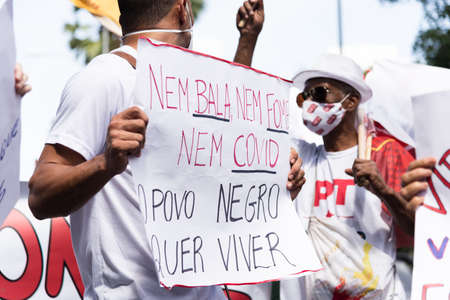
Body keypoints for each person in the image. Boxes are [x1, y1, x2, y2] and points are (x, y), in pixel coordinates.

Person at [28, 0, 303, 299]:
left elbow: (225, 156)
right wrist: (104, 164)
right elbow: (41, 196)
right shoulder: (105, 79)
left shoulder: (186, 88)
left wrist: (272, 177)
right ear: (183, 9)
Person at [280, 54, 419, 300]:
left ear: (351, 101)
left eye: (320, 93)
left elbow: (420, 231)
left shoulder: (384, 154)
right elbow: (245, 126)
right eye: (305, 96)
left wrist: (383, 191)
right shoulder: (302, 158)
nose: (310, 103)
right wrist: (248, 39)